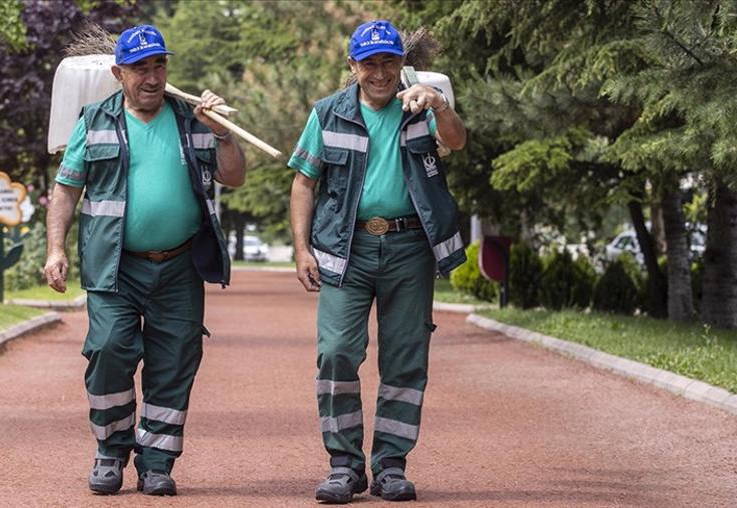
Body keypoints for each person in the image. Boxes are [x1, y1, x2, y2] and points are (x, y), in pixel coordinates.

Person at [43, 24, 245, 496]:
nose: (151, 77)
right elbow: (66, 189)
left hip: (179, 266)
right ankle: (111, 451)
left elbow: (233, 177)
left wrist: (224, 134)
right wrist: (55, 249)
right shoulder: (93, 120)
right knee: (110, 350)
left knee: (175, 361)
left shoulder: (194, 119)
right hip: (114, 265)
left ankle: (157, 461)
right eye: (139, 68)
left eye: (159, 65)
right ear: (118, 73)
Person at [288, 19, 467, 504]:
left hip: (410, 248)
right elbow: (304, 182)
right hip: (347, 250)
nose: (381, 72)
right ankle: (344, 466)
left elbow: (456, 141)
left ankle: (390, 465)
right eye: (370, 63)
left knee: (406, 358)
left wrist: (439, 103)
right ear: (353, 67)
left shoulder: (420, 106)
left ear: (401, 63)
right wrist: (302, 248)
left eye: (390, 61)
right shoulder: (327, 114)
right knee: (337, 353)